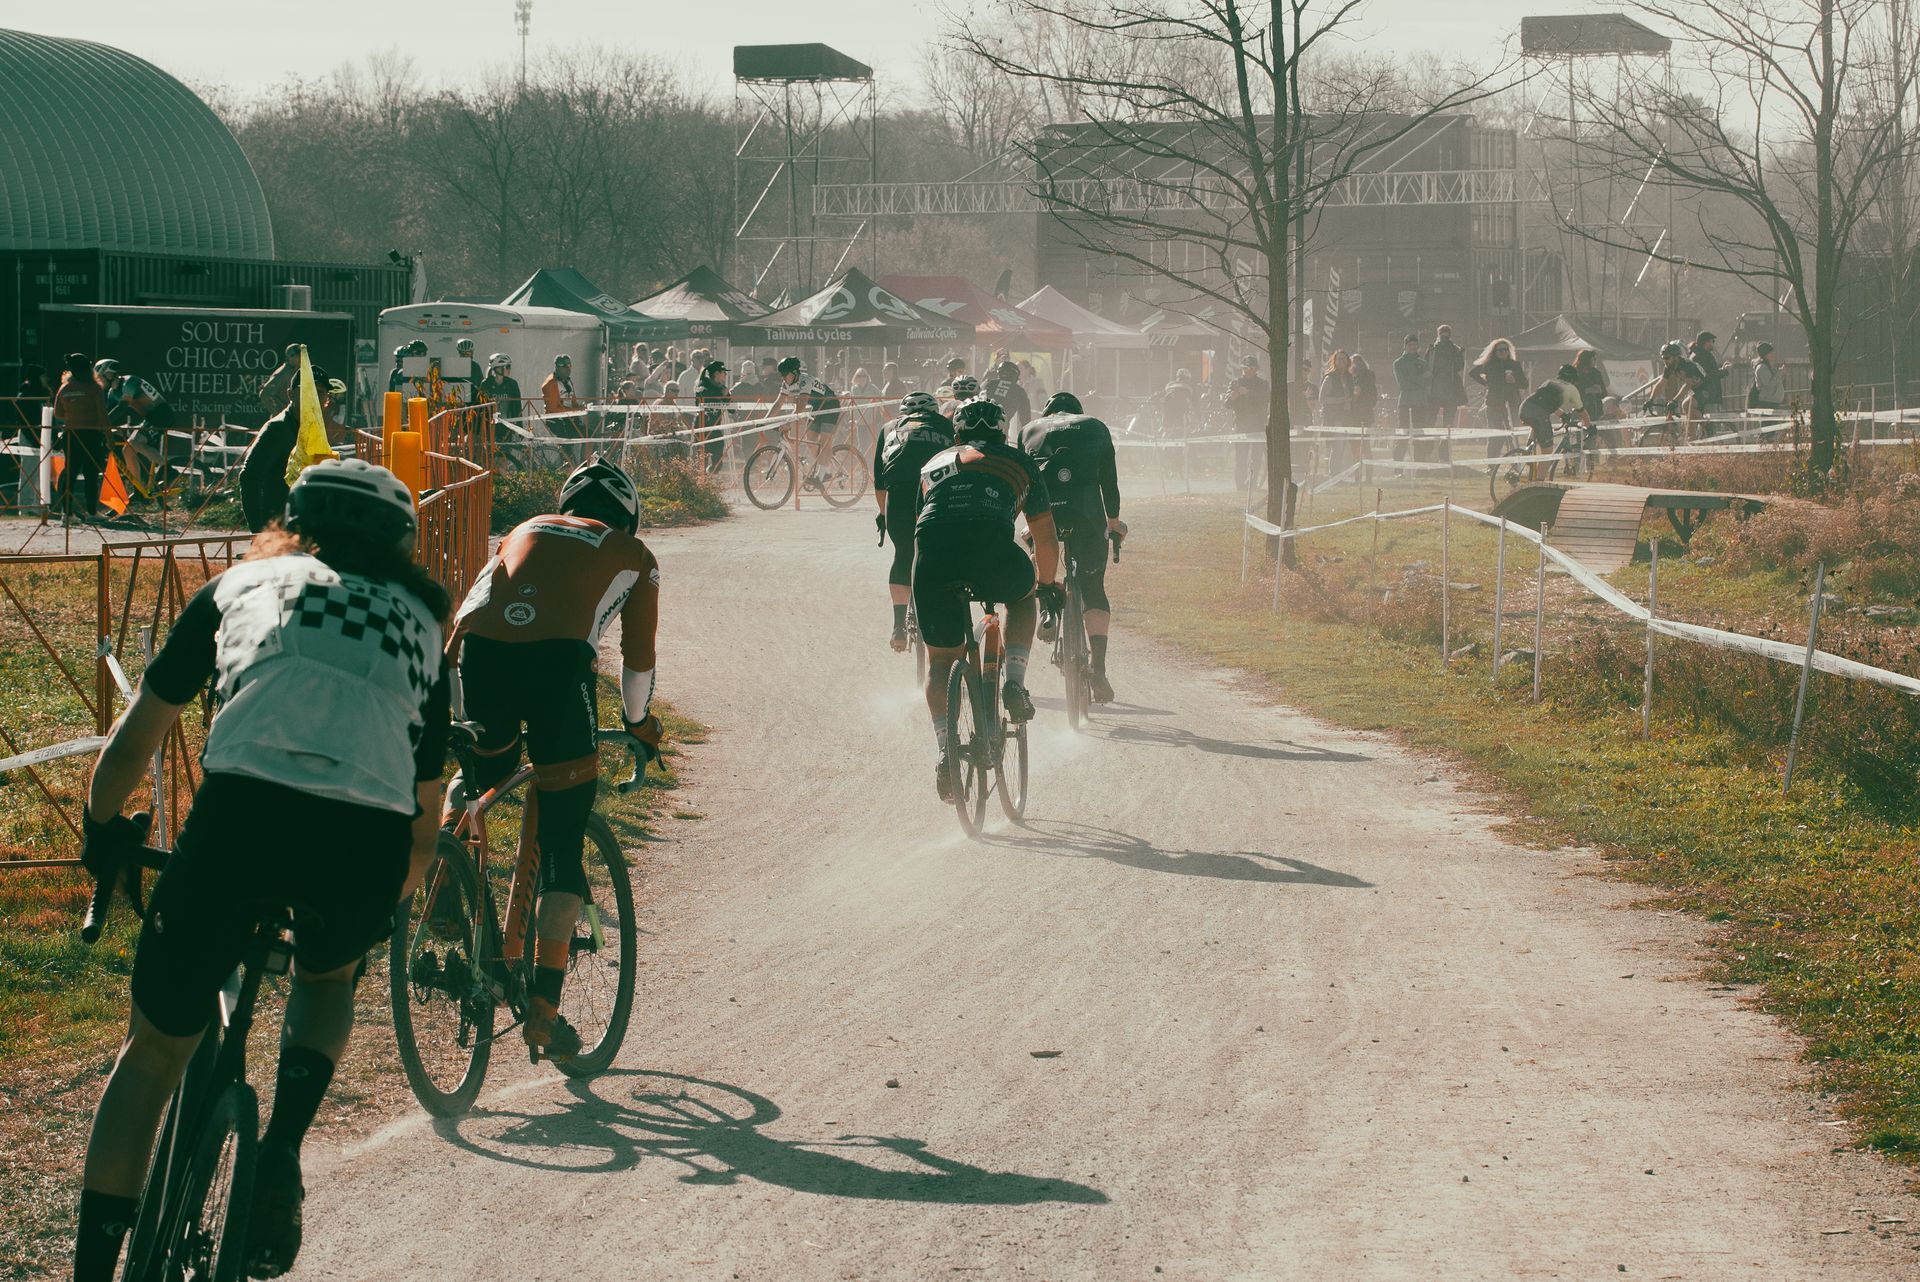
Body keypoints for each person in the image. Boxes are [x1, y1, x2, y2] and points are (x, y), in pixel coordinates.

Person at [73, 458, 450, 1282]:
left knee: (153, 1054)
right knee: (325, 978)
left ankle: (94, 1271)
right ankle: (280, 1148)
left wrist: (102, 829)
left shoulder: (240, 585)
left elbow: (138, 735)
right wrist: (384, 901)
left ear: (292, 523)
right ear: (401, 547)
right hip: (366, 838)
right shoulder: (424, 623)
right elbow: (425, 813)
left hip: (243, 819)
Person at [446, 457, 662, 1056]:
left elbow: (476, 605)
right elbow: (637, 658)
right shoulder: (633, 553)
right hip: (557, 667)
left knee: (478, 778)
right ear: (628, 515)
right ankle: (543, 1007)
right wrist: (639, 724)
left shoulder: (521, 529)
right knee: (565, 841)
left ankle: (445, 871)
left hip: (477, 654)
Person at [911, 399, 1061, 796]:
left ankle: (945, 749)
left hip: (932, 558)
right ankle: (1014, 682)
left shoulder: (932, 464)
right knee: (1024, 595)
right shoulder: (1019, 462)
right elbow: (1044, 536)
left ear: (956, 434)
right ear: (1004, 431)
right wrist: (1046, 584)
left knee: (941, 661)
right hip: (991, 550)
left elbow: (919, 529)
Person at [1019, 391, 1124, 702]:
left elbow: (1023, 479)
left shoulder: (1028, 429)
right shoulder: (1095, 426)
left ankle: (1047, 608)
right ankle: (1099, 670)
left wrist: (1027, 523)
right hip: (1088, 511)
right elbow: (1110, 483)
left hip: (1045, 513)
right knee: (1093, 586)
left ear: (1048, 413)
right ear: (1077, 411)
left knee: (1045, 559)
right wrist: (1114, 524)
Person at [871, 390, 955, 650]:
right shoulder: (947, 425)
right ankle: (944, 613)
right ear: (934, 412)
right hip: (936, 489)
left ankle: (898, 626)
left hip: (900, 494)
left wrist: (884, 515)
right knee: (941, 551)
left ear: (902, 413)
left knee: (904, 552)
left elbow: (880, 483)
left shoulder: (889, 428)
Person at [54, 352, 112, 520]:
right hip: (91, 435)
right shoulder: (94, 388)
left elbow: (58, 413)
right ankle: (92, 512)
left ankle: (66, 513)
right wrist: (110, 438)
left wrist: (74, 413)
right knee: (91, 474)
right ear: (88, 368)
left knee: (70, 473)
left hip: (71, 435)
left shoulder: (64, 388)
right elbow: (103, 415)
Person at [1516, 363, 1593, 481]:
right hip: (1538, 413)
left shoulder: (1549, 382)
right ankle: (1539, 482)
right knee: (1547, 450)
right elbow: (1582, 412)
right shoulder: (1572, 389)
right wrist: (1590, 427)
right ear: (1573, 379)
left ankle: (1528, 448)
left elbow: (1543, 401)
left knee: (1537, 425)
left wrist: (1561, 414)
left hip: (1525, 407)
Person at [771, 357, 843, 482]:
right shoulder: (787, 384)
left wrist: (788, 422)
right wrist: (764, 421)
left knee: (824, 441)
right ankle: (827, 470)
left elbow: (801, 405)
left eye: (785, 375)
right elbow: (778, 404)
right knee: (811, 443)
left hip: (830, 405)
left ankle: (821, 475)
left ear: (794, 373)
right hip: (816, 407)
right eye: (781, 375)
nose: (783, 378)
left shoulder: (805, 380)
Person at [1226, 355, 1269, 488]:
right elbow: (1227, 404)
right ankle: (1240, 484)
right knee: (1240, 457)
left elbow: (1264, 401)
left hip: (1257, 425)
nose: (1247, 370)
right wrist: (1232, 398)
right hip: (1241, 424)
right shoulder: (1235, 382)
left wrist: (1247, 393)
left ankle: (1253, 483)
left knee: (1256, 458)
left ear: (1256, 369)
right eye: (1245, 368)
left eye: (1250, 368)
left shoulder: (1263, 384)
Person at [1643, 340, 1702, 432]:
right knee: (1686, 425)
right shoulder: (1669, 366)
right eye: (1663, 358)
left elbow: (1687, 384)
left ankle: (1706, 424)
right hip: (1694, 389)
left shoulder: (1687, 365)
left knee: (1685, 405)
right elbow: (1661, 383)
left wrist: (1675, 400)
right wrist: (1651, 400)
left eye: (1667, 358)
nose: (1665, 361)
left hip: (1706, 388)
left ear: (1676, 357)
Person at [1469, 338, 1525, 431]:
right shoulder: (1489, 364)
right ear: (1495, 351)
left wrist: (1514, 381)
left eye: (1506, 349)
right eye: (1500, 350)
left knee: (1512, 434)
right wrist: (1486, 383)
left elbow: (1524, 384)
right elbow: (1472, 373)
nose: (1503, 352)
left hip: (1511, 403)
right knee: (1495, 435)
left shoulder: (1515, 364)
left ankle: (1512, 445)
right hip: (1494, 402)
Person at [1392, 333, 1430, 460]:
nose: (1413, 347)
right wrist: (1419, 379)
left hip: (1421, 404)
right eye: (1410, 344)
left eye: (1415, 345)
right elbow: (1403, 384)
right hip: (1405, 403)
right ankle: (1398, 469)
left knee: (1419, 437)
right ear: (1405, 346)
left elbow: (1428, 381)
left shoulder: (1423, 363)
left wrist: (1412, 379)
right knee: (1402, 436)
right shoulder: (1398, 363)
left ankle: (1420, 468)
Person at [1427, 324, 1466, 447]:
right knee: (1431, 421)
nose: (1445, 337)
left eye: (1446, 334)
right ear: (1438, 335)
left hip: (1450, 392)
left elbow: (1460, 366)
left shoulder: (1454, 349)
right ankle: (1428, 448)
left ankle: (1443, 451)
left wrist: (1459, 354)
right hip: (1435, 392)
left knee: (1447, 425)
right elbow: (1427, 366)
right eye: (1442, 334)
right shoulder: (1433, 349)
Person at [694, 359, 731, 471]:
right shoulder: (703, 384)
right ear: (716, 374)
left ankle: (711, 477)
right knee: (701, 461)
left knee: (718, 461)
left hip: (715, 428)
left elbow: (731, 408)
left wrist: (726, 396)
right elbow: (704, 396)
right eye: (724, 372)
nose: (726, 375)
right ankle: (701, 483)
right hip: (702, 428)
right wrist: (721, 394)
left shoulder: (722, 387)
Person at [981, 360, 1033, 431]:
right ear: (1015, 376)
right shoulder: (1019, 391)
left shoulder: (989, 384)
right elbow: (1025, 418)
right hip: (1000, 431)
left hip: (978, 425)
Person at [1688, 330, 1724, 418]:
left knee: (1701, 423)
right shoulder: (1704, 356)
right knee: (1711, 423)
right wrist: (1725, 370)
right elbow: (1710, 376)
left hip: (1699, 394)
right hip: (1708, 396)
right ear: (1706, 342)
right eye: (1712, 341)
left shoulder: (1695, 355)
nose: (1713, 344)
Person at [260, 343, 303, 413]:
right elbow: (264, 394)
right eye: (297, 355)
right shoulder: (283, 373)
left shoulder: (301, 370)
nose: (301, 358)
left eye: (301, 355)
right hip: (286, 419)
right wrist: (277, 413)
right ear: (289, 358)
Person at [478, 353, 524, 419]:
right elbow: (481, 408)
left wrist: (519, 427)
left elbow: (517, 408)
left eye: (509, 367)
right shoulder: (486, 384)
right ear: (498, 368)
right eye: (507, 367)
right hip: (491, 426)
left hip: (508, 425)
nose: (509, 369)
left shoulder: (512, 384)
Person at [1569, 348, 1609, 421]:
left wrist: (1599, 390)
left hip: (1596, 409)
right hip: (1581, 410)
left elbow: (1604, 393)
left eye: (1595, 359)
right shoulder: (1575, 373)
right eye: (1593, 359)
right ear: (1586, 360)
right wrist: (1587, 390)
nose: (1595, 362)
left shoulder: (1596, 373)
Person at [541, 354, 580, 428]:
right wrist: (574, 410)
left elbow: (573, 401)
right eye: (563, 366)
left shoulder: (568, 381)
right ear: (556, 367)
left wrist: (580, 408)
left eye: (569, 365)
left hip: (570, 418)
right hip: (556, 421)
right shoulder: (550, 383)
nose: (568, 368)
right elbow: (553, 409)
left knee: (590, 434)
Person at [1317, 350, 1354, 427]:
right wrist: (1341, 400)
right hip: (1332, 417)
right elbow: (1322, 399)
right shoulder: (1330, 378)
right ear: (1335, 361)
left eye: (1344, 359)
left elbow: (1350, 396)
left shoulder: (1350, 377)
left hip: (1347, 416)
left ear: (1347, 361)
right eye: (1339, 359)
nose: (1342, 361)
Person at [1750, 341, 1786, 412]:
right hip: (1767, 402)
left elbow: (1776, 381)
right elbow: (1769, 384)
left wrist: (1781, 373)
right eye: (1771, 353)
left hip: (1772, 401)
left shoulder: (1770, 366)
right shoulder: (1762, 368)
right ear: (1765, 354)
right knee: (1768, 422)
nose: (1774, 354)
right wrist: (1780, 373)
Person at [1161, 368, 1198, 436]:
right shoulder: (1189, 387)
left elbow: (1163, 394)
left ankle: (1163, 434)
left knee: (1166, 428)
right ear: (1187, 378)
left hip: (1168, 410)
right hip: (1181, 411)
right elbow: (1195, 403)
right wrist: (1198, 417)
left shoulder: (1169, 385)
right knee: (1186, 428)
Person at [1349, 352, 1378, 433]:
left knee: (1355, 438)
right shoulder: (1370, 375)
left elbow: (1356, 392)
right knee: (1364, 437)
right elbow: (1374, 395)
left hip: (1356, 411)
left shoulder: (1354, 377)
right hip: (1366, 411)